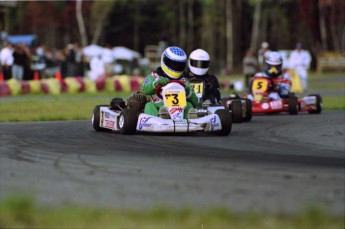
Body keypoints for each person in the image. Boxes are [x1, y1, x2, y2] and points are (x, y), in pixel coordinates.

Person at [141, 46, 198, 118]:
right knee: (149, 106)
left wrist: (188, 91)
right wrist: (156, 84)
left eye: (179, 65)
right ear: (165, 61)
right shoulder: (155, 76)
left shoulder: (184, 80)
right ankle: (161, 117)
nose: (176, 67)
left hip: (180, 109)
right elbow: (145, 89)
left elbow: (195, 102)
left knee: (189, 105)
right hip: (159, 106)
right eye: (173, 64)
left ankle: (192, 120)